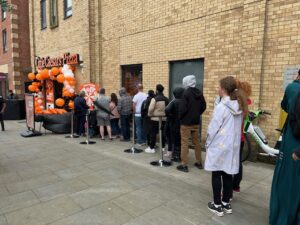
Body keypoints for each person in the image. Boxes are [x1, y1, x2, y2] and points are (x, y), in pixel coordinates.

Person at [205, 76, 247, 217]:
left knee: (216, 173)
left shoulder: (222, 107)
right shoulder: (240, 106)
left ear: (223, 89)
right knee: (228, 173)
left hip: (220, 144)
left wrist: (208, 141)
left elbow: (213, 128)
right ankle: (226, 203)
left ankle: (217, 205)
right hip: (233, 145)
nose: (218, 89)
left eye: (219, 87)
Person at [269, 70, 300, 225]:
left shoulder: (293, 88)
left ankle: (282, 219)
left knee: (287, 182)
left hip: (294, 143)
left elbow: (285, 105)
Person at [177, 75, 206, 172]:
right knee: (197, 143)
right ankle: (199, 162)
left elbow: (182, 109)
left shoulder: (186, 93)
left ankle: (184, 164)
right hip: (196, 122)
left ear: (186, 82)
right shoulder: (199, 93)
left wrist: (180, 118)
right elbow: (204, 106)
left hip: (186, 123)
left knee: (184, 143)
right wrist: (197, 114)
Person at [232, 80, 252, 194]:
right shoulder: (246, 103)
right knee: (238, 162)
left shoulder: (238, 105)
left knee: (231, 163)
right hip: (241, 138)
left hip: (234, 137)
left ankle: (229, 189)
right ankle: (236, 186)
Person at [145, 84, 169, 154]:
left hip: (155, 119)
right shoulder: (166, 99)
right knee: (163, 133)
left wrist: (150, 115)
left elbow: (151, 109)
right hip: (164, 119)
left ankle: (152, 148)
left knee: (153, 133)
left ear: (157, 90)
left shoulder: (154, 99)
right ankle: (163, 147)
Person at [165, 87, 185, 162]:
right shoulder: (184, 101)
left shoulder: (174, 101)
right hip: (181, 123)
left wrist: (170, 115)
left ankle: (176, 156)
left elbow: (166, 110)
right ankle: (179, 155)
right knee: (179, 140)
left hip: (173, 124)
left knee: (175, 140)